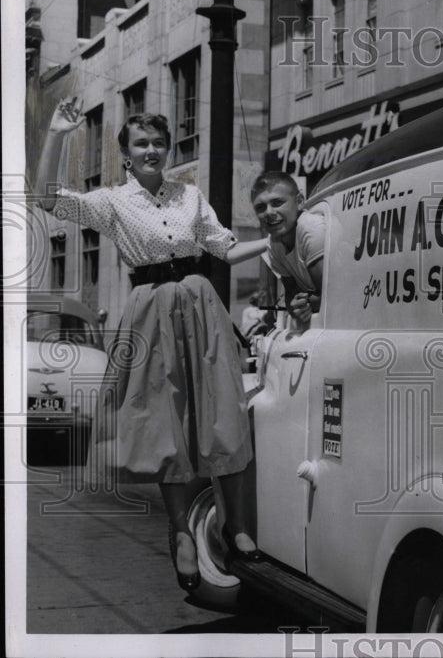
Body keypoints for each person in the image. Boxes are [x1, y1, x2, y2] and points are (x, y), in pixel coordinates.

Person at [36, 105, 268, 593]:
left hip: (200, 307)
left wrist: (273, 239)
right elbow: (47, 200)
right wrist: (57, 135)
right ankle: (182, 530)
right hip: (150, 314)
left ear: (168, 149)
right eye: (141, 144)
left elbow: (224, 248)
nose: (151, 151)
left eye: (158, 143)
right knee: (164, 424)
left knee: (222, 412)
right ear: (125, 154)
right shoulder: (113, 202)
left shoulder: (190, 195)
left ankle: (236, 524)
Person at [250, 171, 327, 328]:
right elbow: (291, 294)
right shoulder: (274, 244)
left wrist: (305, 304)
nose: (269, 213)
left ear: (299, 201)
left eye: (277, 203)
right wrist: (297, 305)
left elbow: (331, 297)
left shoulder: (311, 229)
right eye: (260, 207)